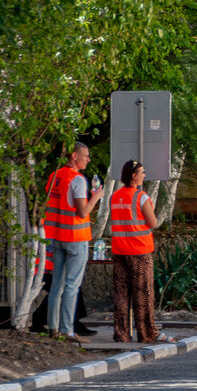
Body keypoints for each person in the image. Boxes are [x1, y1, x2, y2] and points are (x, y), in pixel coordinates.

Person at [42, 142, 103, 342]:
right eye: (85, 156)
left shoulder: (55, 176)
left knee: (56, 285)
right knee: (71, 286)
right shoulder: (78, 180)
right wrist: (96, 197)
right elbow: (82, 211)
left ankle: (53, 328)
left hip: (57, 236)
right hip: (76, 239)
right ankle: (68, 330)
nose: (88, 159)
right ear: (74, 156)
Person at [109, 160, 171, 344]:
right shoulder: (141, 197)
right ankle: (147, 333)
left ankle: (121, 334)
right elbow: (153, 223)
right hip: (139, 252)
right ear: (133, 175)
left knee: (121, 293)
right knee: (143, 293)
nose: (144, 175)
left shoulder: (115, 196)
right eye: (142, 172)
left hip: (120, 250)